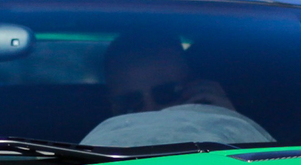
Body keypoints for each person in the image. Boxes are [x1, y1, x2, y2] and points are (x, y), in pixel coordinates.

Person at [85, 32, 273, 148]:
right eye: (131, 102)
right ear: (114, 107)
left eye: (166, 93)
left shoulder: (239, 133)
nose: (150, 109)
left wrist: (228, 121)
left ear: (196, 87)